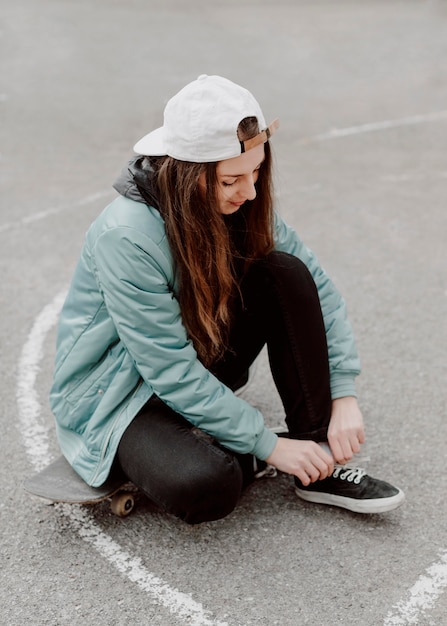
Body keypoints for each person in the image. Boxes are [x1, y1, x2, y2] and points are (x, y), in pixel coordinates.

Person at [50, 74, 404, 524]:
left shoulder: (239, 201)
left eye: (257, 171)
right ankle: (258, 452)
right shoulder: (127, 236)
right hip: (123, 394)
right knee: (206, 487)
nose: (251, 190)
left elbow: (317, 288)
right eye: (232, 179)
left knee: (284, 274)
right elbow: (168, 370)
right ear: (185, 173)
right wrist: (269, 445)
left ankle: (315, 452)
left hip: (198, 356)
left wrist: (344, 394)